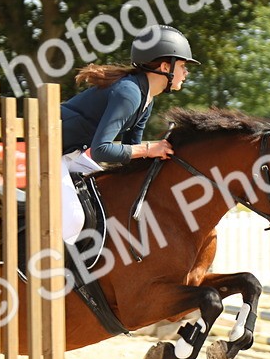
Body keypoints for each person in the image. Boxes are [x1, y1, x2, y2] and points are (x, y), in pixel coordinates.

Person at [59, 24, 196, 242]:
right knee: (75, 218)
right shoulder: (129, 93)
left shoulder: (145, 98)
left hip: (70, 155)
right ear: (164, 66)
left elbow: (131, 156)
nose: (186, 73)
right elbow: (102, 151)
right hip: (46, 152)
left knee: (108, 197)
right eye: (182, 66)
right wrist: (150, 148)